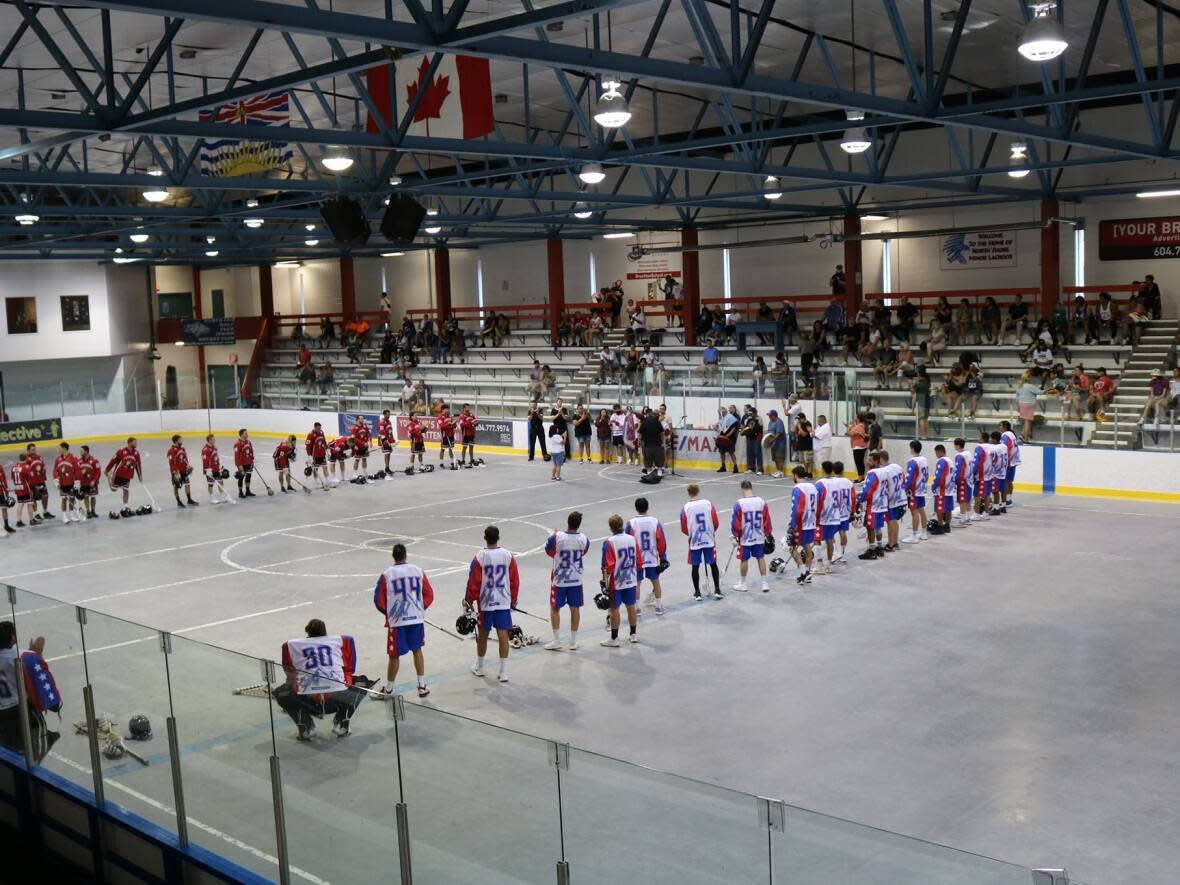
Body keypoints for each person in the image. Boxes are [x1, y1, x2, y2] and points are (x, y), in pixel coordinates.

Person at [276, 619, 364, 740]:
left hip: (308, 701)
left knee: (281, 693)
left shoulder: (291, 645)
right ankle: (341, 724)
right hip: (336, 700)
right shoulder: (343, 641)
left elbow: (290, 675)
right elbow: (350, 669)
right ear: (325, 632)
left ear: (308, 633)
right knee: (362, 683)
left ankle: (305, 727)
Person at [373, 543, 433, 699]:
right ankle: (422, 685)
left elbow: (378, 601)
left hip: (397, 622)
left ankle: (389, 689)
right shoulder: (418, 571)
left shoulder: (387, 574)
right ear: (406, 555)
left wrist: (390, 614)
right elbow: (429, 594)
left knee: (394, 656)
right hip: (416, 619)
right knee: (417, 649)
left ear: (393, 556)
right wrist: (420, 609)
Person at [0, 625, 62, 763]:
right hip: (23, 711)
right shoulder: (24, 657)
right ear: (12, 638)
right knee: (35, 753)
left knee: (9, 753)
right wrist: (37, 653)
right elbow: (48, 696)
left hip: (2, 715)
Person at [466, 526, 520, 682]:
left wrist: (469, 599)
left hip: (486, 602)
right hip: (503, 601)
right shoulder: (508, 556)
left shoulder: (480, 557)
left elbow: (474, 582)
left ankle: (480, 667)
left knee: (483, 633)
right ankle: (503, 672)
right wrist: (514, 598)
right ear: (498, 537)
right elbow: (514, 580)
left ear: (485, 538)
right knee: (503, 634)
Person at [544, 512, 590, 651]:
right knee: (574, 608)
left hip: (560, 580)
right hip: (576, 579)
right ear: (579, 525)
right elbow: (584, 551)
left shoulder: (557, 537)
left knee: (555, 608)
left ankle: (557, 640)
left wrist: (553, 536)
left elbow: (548, 550)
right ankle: (573, 642)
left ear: (568, 522)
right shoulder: (584, 538)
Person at [601, 514, 641, 646]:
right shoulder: (632, 539)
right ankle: (633, 634)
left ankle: (614, 638)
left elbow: (608, 566)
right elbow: (639, 560)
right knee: (631, 606)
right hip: (631, 578)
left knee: (614, 609)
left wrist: (604, 583)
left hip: (617, 581)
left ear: (610, 527)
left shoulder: (610, 542)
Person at [680, 484, 721, 600]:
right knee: (713, 564)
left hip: (695, 541)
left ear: (688, 493)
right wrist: (711, 533)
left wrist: (691, 534)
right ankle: (717, 589)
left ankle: (697, 592)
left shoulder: (686, 507)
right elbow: (715, 522)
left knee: (695, 567)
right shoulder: (708, 504)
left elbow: (683, 527)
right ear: (698, 491)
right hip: (708, 539)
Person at [627, 498, 668, 614]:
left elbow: (628, 541)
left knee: (637, 583)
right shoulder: (655, 521)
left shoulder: (631, 523)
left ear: (636, 508)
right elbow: (661, 541)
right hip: (652, 557)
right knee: (655, 581)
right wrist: (663, 557)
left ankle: (637, 608)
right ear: (647, 507)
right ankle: (659, 606)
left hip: (637, 559)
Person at [731, 479, 772, 593]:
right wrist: (767, 533)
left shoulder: (739, 504)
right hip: (759, 535)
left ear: (742, 488)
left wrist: (736, 535)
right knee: (760, 557)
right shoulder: (761, 502)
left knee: (744, 559)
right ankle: (764, 583)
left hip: (746, 538)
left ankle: (743, 584)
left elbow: (736, 523)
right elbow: (767, 520)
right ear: (751, 487)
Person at [785, 466, 817, 584]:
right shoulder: (813, 487)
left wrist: (792, 525)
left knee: (790, 547)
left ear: (796, 475)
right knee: (807, 548)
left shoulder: (797, 488)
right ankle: (806, 574)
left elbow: (796, 509)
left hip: (801, 524)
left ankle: (804, 573)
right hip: (811, 522)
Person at [813, 462, 842, 573]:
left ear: (823, 469)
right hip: (834, 515)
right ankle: (828, 565)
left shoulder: (820, 483)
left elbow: (818, 501)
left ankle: (819, 565)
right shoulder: (836, 482)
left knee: (816, 539)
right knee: (830, 539)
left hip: (823, 517)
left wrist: (815, 516)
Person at [104, 437, 142, 516]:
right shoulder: (121, 451)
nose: (136, 444)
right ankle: (109, 476)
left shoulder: (136, 453)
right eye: (134, 442)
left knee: (126, 490)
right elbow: (113, 461)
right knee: (113, 489)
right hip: (118, 474)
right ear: (129, 443)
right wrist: (107, 470)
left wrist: (140, 476)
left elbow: (138, 465)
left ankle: (125, 507)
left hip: (128, 475)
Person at [903, 441, 930, 544]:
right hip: (922, 488)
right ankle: (924, 532)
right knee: (921, 510)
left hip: (914, 490)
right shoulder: (924, 459)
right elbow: (926, 475)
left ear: (912, 449)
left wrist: (905, 489)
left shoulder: (912, 461)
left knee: (914, 512)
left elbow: (909, 478)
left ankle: (914, 535)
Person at [878, 449, 904, 552]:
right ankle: (895, 542)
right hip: (899, 497)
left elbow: (884, 487)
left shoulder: (884, 471)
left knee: (890, 522)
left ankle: (891, 543)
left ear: (881, 459)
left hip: (890, 499)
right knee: (894, 521)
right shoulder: (897, 466)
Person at [166, 435, 198, 508]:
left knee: (187, 484)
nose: (181, 441)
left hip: (184, 471)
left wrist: (188, 466)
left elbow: (185, 459)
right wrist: (175, 472)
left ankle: (189, 499)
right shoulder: (171, 450)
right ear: (176, 441)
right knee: (176, 486)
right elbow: (171, 462)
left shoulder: (182, 449)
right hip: (177, 472)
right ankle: (178, 501)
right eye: (180, 440)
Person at [52, 442, 81, 524]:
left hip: (71, 483)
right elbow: (55, 471)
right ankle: (64, 516)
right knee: (64, 499)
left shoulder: (73, 458)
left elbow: (77, 471)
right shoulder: (58, 459)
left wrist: (77, 482)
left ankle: (71, 515)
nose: (58, 450)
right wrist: (56, 481)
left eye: (59, 448)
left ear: (64, 448)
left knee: (72, 498)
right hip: (62, 483)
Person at [929, 444, 953, 535]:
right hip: (949, 488)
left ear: (940, 451)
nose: (936, 455)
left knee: (939, 508)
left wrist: (934, 486)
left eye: (936, 453)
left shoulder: (941, 461)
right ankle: (947, 525)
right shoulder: (950, 460)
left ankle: (940, 526)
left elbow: (938, 476)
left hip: (942, 489)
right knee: (948, 508)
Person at [201, 434, 232, 504]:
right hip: (209, 470)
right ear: (209, 440)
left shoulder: (215, 447)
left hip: (216, 468)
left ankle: (222, 495)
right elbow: (205, 460)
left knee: (220, 481)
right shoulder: (205, 449)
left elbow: (216, 458)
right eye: (213, 439)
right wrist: (208, 470)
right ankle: (211, 497)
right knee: (210, 484)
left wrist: (220, 466)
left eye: (214, 439)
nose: (214, 440)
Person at [23, 445, 50, 521]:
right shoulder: (26, 459)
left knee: (45, 495)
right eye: (32, 450)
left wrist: (43, 472)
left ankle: (45, 512)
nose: (34, 451)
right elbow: (26, 471)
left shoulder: (39, 457)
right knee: (34, 498)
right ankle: (36, 514)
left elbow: (43, 466)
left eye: (35, 449)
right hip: (32, 482)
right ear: (28, 450)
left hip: (41, 480)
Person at [998, 420, 1021, 508]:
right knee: (1009, 481)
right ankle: (1009, 498)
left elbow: (1005, 448)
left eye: (1000, 425)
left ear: (1004, 427)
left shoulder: (1005, 435)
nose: (999, 427)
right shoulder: (1012, 435)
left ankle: (1007, 500)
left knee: (1005, 481)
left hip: (1008, 461)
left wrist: (1003, 461)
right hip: (1013, 460)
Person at [638, 407, 666, 476]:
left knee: (648, 462)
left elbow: (640, 434)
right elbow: (662, 433)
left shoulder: (644, 422)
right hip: (657, 445)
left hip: (647, 446)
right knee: (659, 462)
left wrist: (640, 442)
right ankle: (659, 475)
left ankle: (649, 475)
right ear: (654, 415)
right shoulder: (657, 422)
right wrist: (662, 443)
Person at [1016, 374, 1041, 441]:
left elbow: (1017, 398)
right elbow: (1039, 392)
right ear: (1029, 378)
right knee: (1028, 422)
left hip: (1021, 404)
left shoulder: (1020, 386)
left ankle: (1023, 434)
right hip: (1029, 404)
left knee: (1024, 421)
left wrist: (1018, 406)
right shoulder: (1030, 386)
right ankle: (1026, 439)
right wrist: (1047, 390)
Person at [740, 406, 764, 476]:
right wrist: (743, 431)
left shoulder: (759, 419)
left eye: (751, 413)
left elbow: (759, 428)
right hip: (749, 438)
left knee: (758, 453)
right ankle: (751, 468)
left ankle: (760, 469)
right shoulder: (748, 419)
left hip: (756, 438)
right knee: (749, 453)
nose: (750, 414)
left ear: (755, 413)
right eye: (749, 413)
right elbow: (746, 427)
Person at [764, 408, 787, 478]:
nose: (769, 417)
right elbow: (769, 432)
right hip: (773, 444)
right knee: (775, 459)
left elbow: (778, 433)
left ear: (774, 416)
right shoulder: (770, 422)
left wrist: (773, 439)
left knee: (779, 458)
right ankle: (778, 471)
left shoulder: (779, 422)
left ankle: (781, 472)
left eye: (770, 416)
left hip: (780, 444)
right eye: (769, 416)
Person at [716, 405, 739, 473]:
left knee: (731, 452)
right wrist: (716, 428)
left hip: (730, 438)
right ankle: (723, 466)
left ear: (725, 410)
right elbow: (720, 429)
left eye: (722, 410)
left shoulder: (731, 417)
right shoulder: (722, 419)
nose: (721, 412)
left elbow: (734, 428)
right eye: (720, 411)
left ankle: (735, 467)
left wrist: (728, 435)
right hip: (722, 437)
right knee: (721, 452)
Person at [232, 429, 255, 499]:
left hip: (249, 462)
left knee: (248, 476)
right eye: (245, 433)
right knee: (241, 477)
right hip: (242, 464)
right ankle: (240, 492)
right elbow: (236, 456)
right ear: (241, 434)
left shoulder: (248, 442)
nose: (247, 434)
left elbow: (251, 451)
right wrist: (239, 465)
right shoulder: (237, 444)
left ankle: (247, 491)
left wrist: (252, 460)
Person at [846, 413, 868, 481]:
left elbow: (850, 433)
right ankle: (861, 477)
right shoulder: (861, 426)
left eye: (856, 417)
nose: (855, 419)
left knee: (858, 463)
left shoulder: (858, 426)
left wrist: (848, 428)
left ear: (858, 419)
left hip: (858, 446)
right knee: (860, 462)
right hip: (862, 446)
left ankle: (860, 478)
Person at [376, 410, 395, 477]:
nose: (388, 415)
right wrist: (386, 441)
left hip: (388, 439)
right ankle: (386, 468)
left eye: (389, 414)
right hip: (384, 440)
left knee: (389, 453)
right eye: (387, 414)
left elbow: (390, 431)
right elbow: (381, 432)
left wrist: (392, 439)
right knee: (386, 453)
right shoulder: (382, 422)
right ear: (384, 414)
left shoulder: (389, 422)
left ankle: (387, 467)